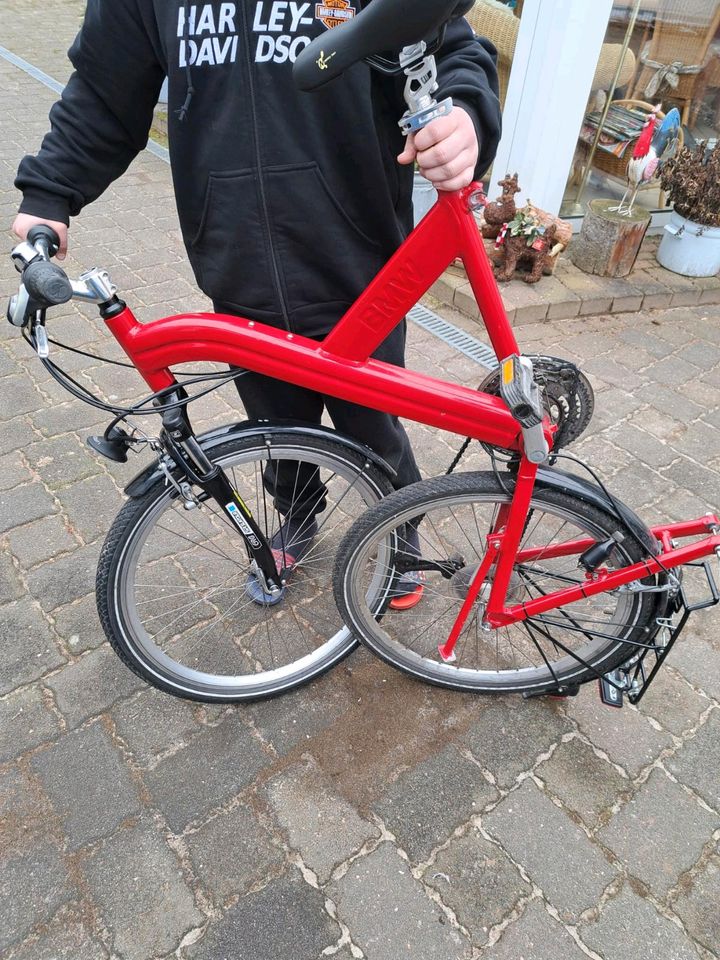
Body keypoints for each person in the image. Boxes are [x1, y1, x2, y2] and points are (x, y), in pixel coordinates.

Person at [13, 0, 502, 605]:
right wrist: (51, 190)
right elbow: (105, 91)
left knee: (373, 424)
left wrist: (466, 118)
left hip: (359, 264)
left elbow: (451, 47)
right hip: (237, 262)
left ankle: (401, 539)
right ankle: (299, 516)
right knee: (274, 427)